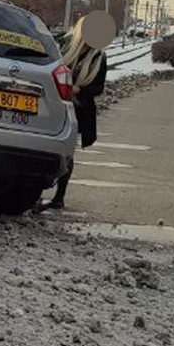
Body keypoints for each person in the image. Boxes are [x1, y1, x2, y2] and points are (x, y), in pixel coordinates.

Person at [47, 16, 109, 210]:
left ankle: (59, 196)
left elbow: (99, 87)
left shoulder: (99, 57)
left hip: (78, 108)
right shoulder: (61, 44)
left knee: (67, 153)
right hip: (53, 103)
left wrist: (79, 90)